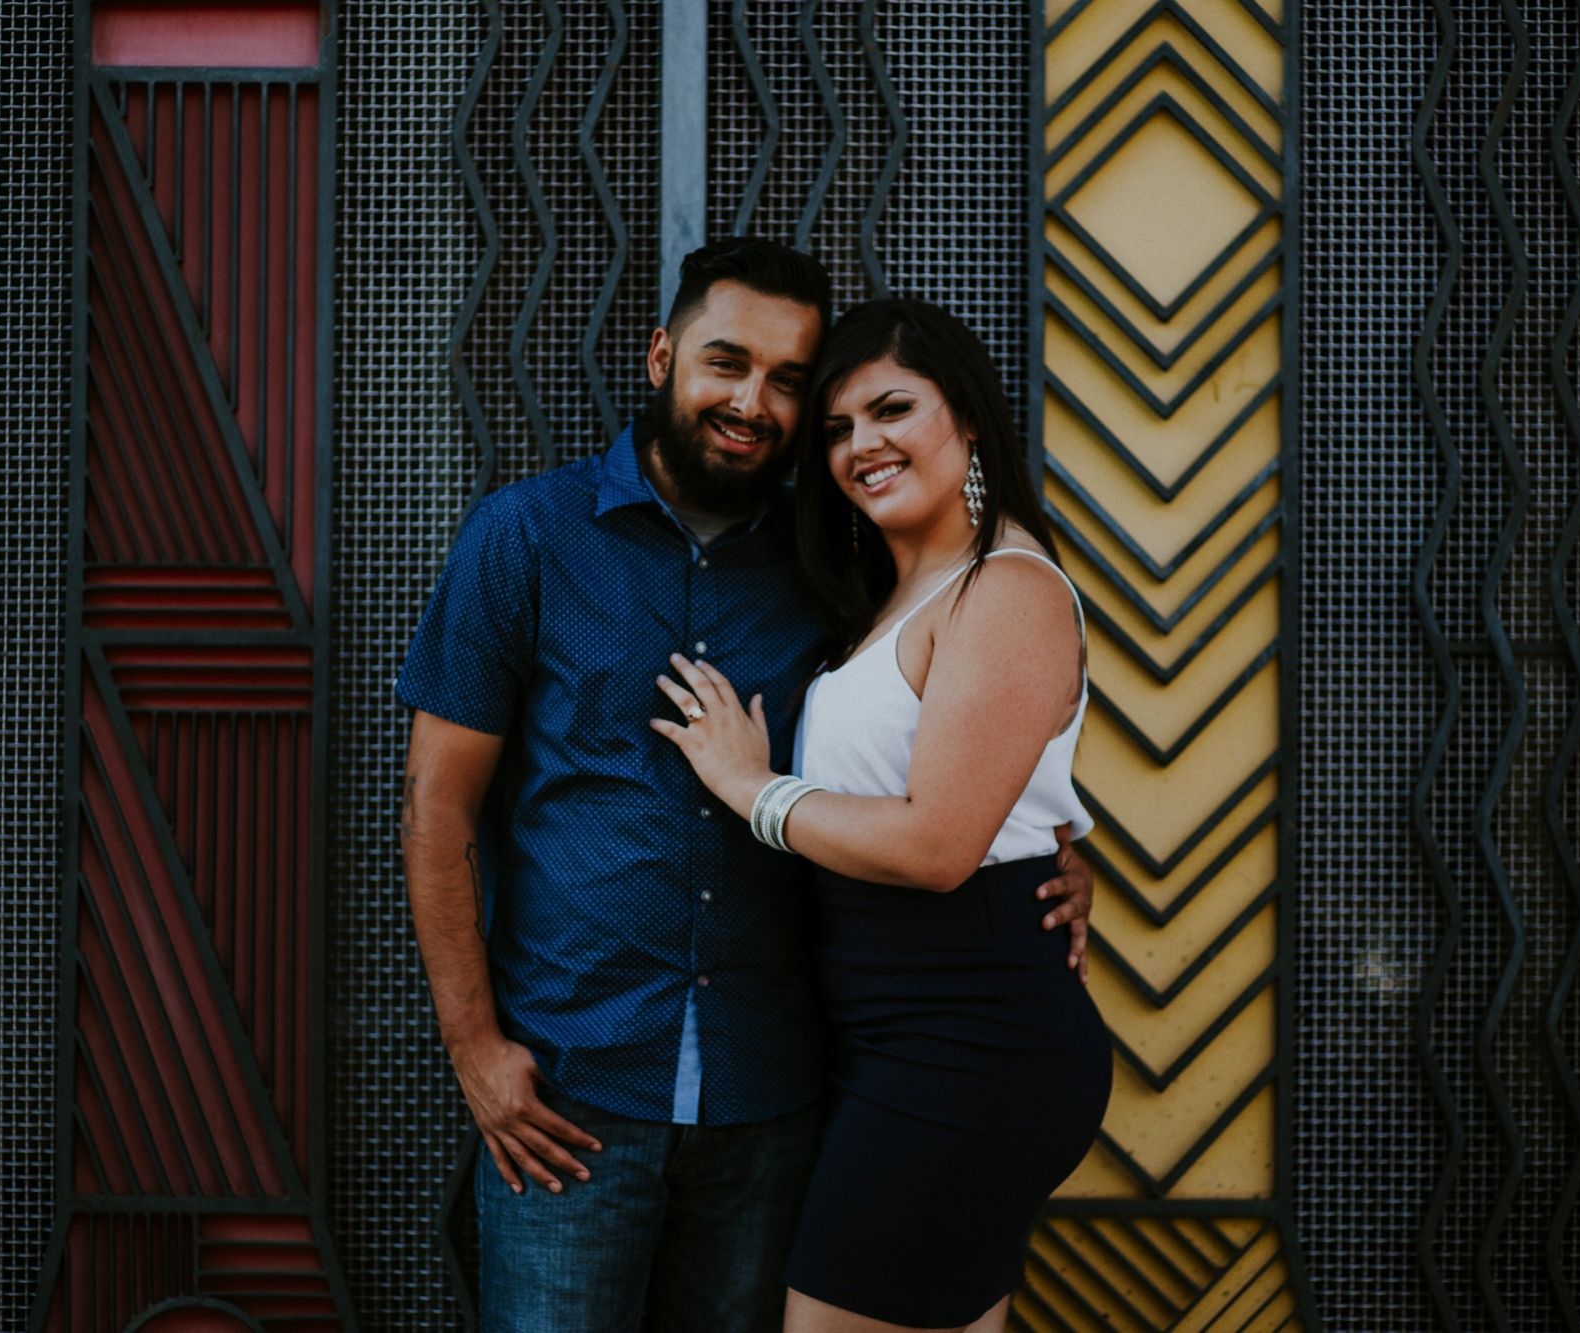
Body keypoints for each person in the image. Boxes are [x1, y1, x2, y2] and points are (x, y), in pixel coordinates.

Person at [397, 240, 1095, 1333]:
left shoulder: (838, 559)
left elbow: (962, 735)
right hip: (574, 1088)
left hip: (775, 1094)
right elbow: (434, 807)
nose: (751, 402)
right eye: (726, 362)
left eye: (787, 382)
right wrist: (474, 1049)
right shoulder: (525, 536)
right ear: (662, 357)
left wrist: (1049, 846)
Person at [649, 298, 1111, 1333]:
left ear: (969, 417)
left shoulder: (1005, 586)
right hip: (898, 1043)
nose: (862, 445)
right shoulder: (899, 594)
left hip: (965, 1048)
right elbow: (1002, 797)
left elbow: (940, 845)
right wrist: (1063, 851)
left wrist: (750, 788)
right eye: (837, 428)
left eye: (891, 409)